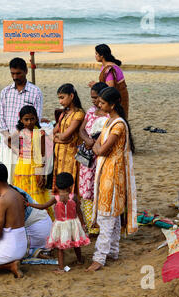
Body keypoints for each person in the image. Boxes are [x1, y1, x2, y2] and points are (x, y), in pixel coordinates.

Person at [86, 87, 137, 272]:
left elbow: (101, 148)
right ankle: (113, 251)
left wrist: (98, 148)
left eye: (102, 103)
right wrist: (97, 148)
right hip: (107, 171)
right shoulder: (109, 122)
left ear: (112, 104)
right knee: (112, 215)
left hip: (113, 173)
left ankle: (100, 257)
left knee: (108, 215)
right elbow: (97, 144)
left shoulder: (118, 125)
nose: (99, 105)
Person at [27, 172, 90, 273]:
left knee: (60, 247)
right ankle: (79, 260)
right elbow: (79, 212)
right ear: (71, 185)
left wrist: (29, 204)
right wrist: (83, 224)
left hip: (60, 225)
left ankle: (61, 268)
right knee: (76, 243)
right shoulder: (74, 197)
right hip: (73, 223)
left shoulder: (56, 198)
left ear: (56, 185)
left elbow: (43, 206)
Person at [0, 57, 43, 184]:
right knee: (7, 176)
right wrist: (7, 136)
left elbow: (36, 117)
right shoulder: (5, 92)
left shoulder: (35, 92)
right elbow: (0, 116)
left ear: (26, 71)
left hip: (26, 141)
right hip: (8, 141)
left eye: (18, 73)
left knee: (25, 178)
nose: (15, 77)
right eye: (12, 73)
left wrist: (18, 135)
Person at [0, 179, 52, 257]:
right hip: (45, 229)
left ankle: (32, 251)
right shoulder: (10, 191)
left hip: (38, 233)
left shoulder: (10, 199)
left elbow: (5, 230)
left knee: (4, 246)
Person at [8, 105, 52, 217]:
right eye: (26, 119)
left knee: (37, 190)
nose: (29, 122)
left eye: (32, 119)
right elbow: (8, 141)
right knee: (23, 190)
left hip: (36, 166)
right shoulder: (20, 132)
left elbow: (43, 154)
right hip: (22, 166)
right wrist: (17, 151)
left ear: (36, 118)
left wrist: (42, 174)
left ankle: (38, 217)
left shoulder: (40, 133)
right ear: (21, 120)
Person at [78, 82, 109, 235]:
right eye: (92, 98)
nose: (94, 101)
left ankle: (103, 225)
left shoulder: (111, 115)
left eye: (97, 98)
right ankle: (92, 226)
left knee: (101, 191)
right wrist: (87, 140)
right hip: (88, 158)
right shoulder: (90, 111)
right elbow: (82, 129)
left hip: (102, 157)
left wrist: (96, 143)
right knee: (87, 192)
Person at [52, 83, 85, 195]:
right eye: (59, 98)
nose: (60, 102)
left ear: (71, 96)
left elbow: (65, 135)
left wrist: (58, 137)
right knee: (60, 183)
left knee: (70, 183)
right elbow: (54, 133)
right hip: (60, 155)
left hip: (71, 155)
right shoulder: (64, 114)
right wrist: (58, 138)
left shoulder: (78, 114)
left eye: (62, 98)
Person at [88, 44, 129, 119]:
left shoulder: (109, 68)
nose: (95, 56)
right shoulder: (105, 66)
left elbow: (110, 87)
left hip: (117, 96)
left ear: (102, 56)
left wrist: (95, 85)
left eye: (96, 54)